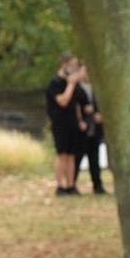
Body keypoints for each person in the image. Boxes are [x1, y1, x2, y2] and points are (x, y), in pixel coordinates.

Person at [46, 54, 87, 196]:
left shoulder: (74, 84)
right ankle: (60, 186)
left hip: (73, 124)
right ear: (64, 64)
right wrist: (70, 84)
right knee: (62, 154)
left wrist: (80, 120)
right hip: (60, 124)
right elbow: (63, 101)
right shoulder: (55, 83)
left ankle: (71, 185)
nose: (74, 68)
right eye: (73, 65)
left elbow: (79, 103)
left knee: (71, 155)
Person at [75, 66, 106, 195]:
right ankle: (71, 183)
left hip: (95, 129)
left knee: (95, 158)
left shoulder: (97, 88)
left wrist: (100, 115)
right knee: (78, 157)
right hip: (83, 129)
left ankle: (97, 185)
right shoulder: (76, 88)